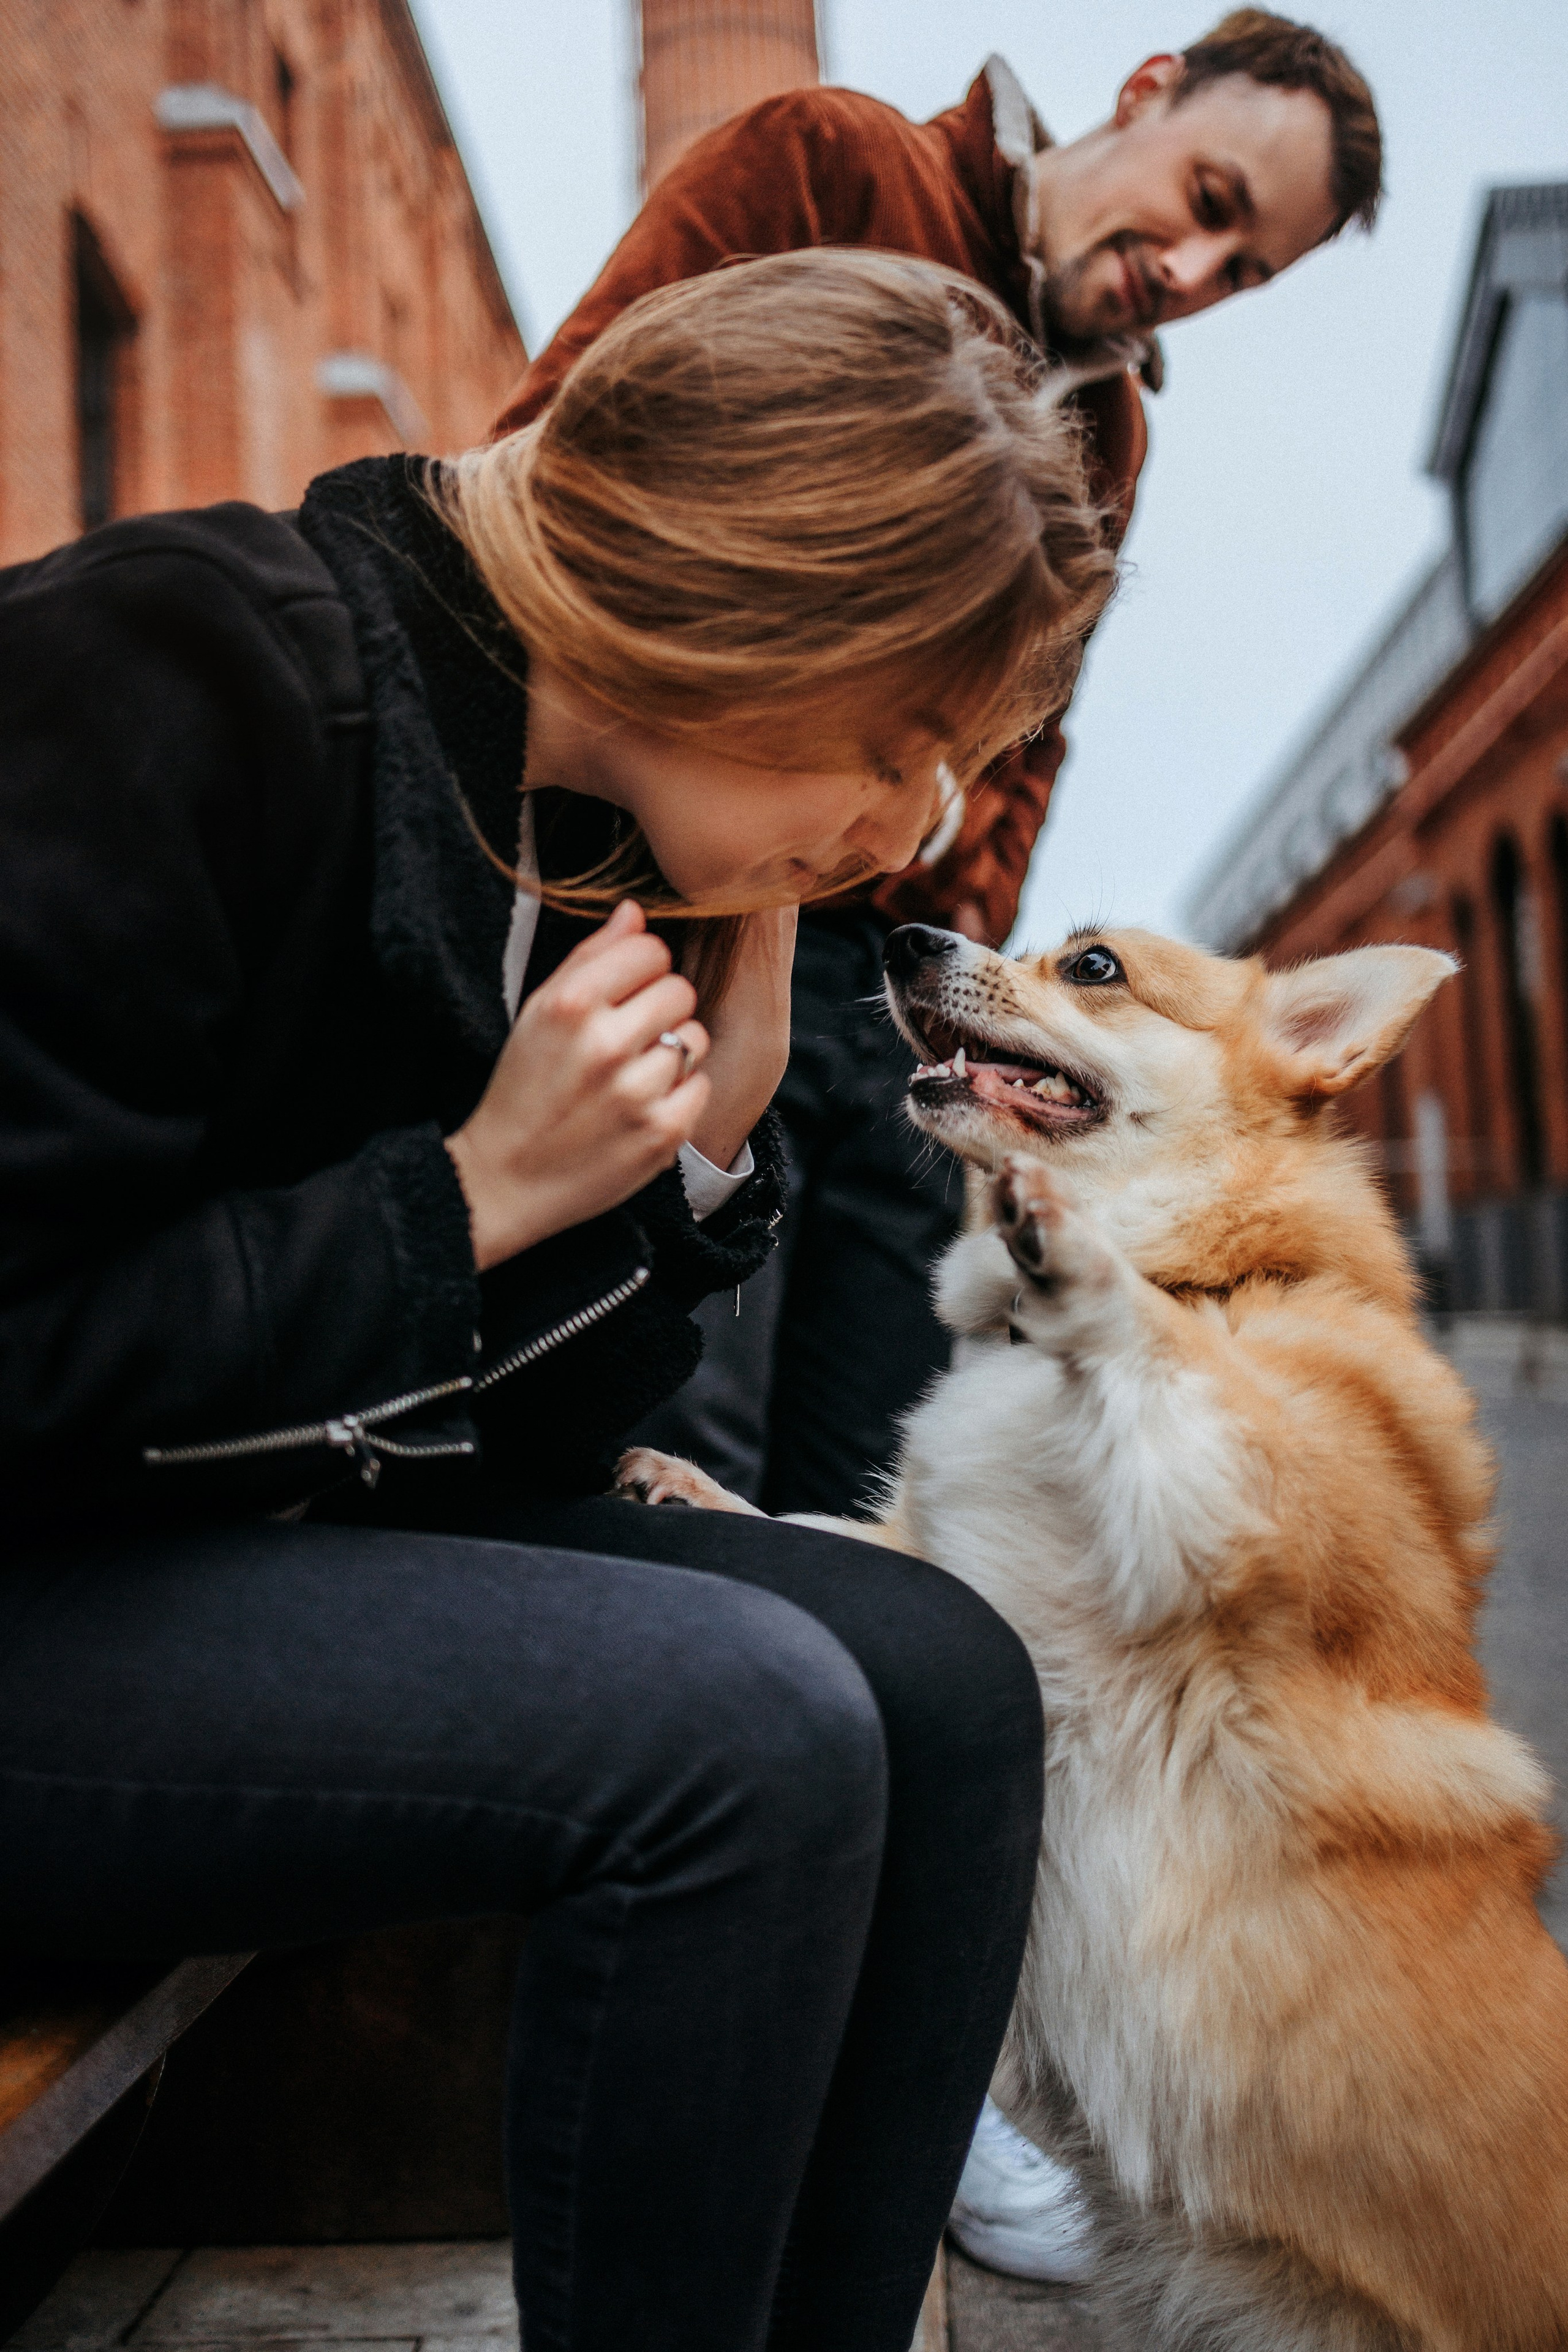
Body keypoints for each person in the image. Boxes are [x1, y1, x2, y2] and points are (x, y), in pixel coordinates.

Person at [0, 253, 1115, 2352]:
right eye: (902, 743)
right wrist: (469, 1198)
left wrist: (694, 1173)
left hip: (210, 1550)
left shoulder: (573, 828)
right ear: (741, 606)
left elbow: (494, 1447)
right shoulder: (188, 669)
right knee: (746, 1739)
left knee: (949, 1680)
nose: (912, 834)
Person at [496, 7, 1382, 1524]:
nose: (1191, 270)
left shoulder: (1112, 431)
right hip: (698, 917)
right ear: (1146, 90)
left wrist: (968, 914)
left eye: (1242, 271)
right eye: (1209, 202)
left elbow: (1035, 730)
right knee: (665, 1469)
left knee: (868, 1489)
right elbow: (555, 456)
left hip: (899, 1003)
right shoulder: (831, 165)